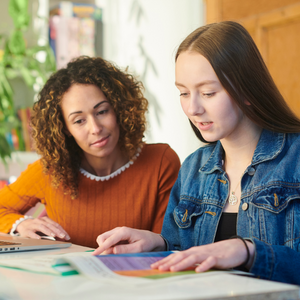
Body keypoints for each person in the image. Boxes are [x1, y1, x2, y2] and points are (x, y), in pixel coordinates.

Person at [93, 21, 300, 285]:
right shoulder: (194, 168)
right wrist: (158, 243)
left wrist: (248, 252)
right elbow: (183, 250)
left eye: (208, 93)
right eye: (183, 92)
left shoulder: (295, 159)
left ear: (247, 89)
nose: (192, 108)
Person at [0, 56, 180, 248]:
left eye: (102, 111)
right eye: (79, 121)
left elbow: (169, 243)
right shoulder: (50, 171)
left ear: (119, 108)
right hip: (68, 277)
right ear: (65, 129)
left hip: (138, 276)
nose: (95, 128)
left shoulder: (161, 162)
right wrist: (21, 224)